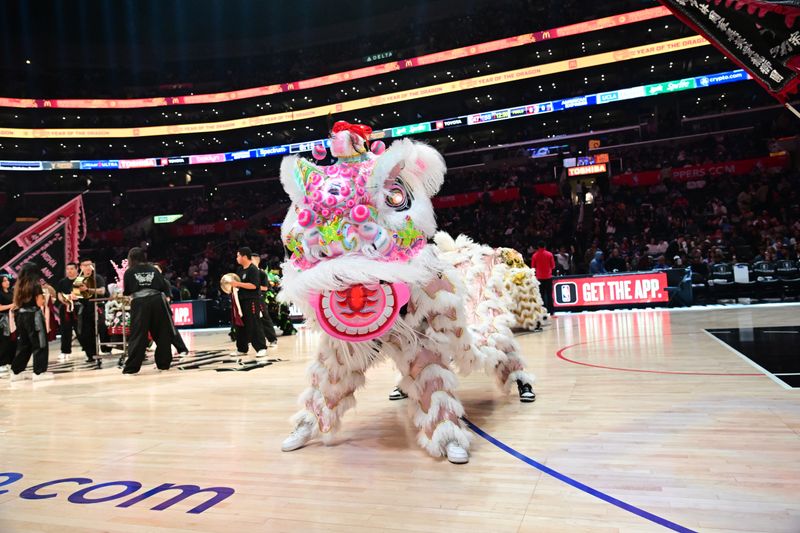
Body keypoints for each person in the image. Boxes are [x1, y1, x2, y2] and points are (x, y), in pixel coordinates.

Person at [122, 248, 174, 375]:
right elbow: (163, 285)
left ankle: (132, 367)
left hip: (140, 303)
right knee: (162, 333)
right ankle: (164, 363)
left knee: (138, 334)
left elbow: (127, 291)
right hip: (157, 301)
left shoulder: (129, 272)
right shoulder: (154, 269)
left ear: (131, 258)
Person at [9, 263, 53, 381]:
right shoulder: (35, 285)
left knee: (24, 344)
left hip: (21, 316)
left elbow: (16, 303)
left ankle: (16, 371)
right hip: (34, 315)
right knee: (40, 342)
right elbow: (39, 303)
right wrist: (43, 297)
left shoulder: (17, 286)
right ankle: (39, 372)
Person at [230, 247, 267, 360]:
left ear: (244, 256)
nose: (237, 258)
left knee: (254, 324)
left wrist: (238, 284)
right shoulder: (240, 270)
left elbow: (254, 286)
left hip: (251, 301)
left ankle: (261, 348)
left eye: (238, 256)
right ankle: (241, 348)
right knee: (240, 325)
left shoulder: (253, 269)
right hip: (241, 301)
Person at [76, 258, 108, 362]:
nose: (88, 268)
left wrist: (88, 289)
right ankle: (91, 354)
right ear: (81, 267)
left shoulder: (97, 278)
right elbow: (76, 295)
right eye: (85, 265)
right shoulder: (79, 280)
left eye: (90, 265)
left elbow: (102, 291)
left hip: (97, 306)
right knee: (85, 333)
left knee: (101, 327)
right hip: (84, 308)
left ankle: (105, 348)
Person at [252, 254, 278, 348]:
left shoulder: (262, 273)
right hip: (249, 299)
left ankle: (272, 339)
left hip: (259, 298)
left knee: (264, 319)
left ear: (256, 261)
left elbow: (266, 288)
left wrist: (254, 287)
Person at [56, 262, 81, 361]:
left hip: (78, 308)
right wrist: (65, 301)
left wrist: (72, 299)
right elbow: (59, 294)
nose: (69, 271)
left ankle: (88, 350)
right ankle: (65, 351)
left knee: (80, 330)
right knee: (65, 330)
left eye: (71, 269)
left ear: (76, 269)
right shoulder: (62, 282)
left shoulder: (80, 280)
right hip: (65, 308)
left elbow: (80, 294)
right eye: (68, 269)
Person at [530, 241, 555, 314]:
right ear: (545, 246)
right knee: (549, 295)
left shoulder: (535, 255)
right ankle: (551, 311)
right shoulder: (549, 254)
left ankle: (542, 311)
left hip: (539, 278)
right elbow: (553, 266)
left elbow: (533, 267)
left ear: (538, 247)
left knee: (541, 295)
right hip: (548, 277)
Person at [0, 274, 16, 376]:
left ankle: (11, 361)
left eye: (7, 280)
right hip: (3, 320)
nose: (7, 282)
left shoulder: (11, 292)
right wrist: (11, 305)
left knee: (12, 341)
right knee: (4, 341)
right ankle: (2, 363)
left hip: (12, 318)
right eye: (4, 281)